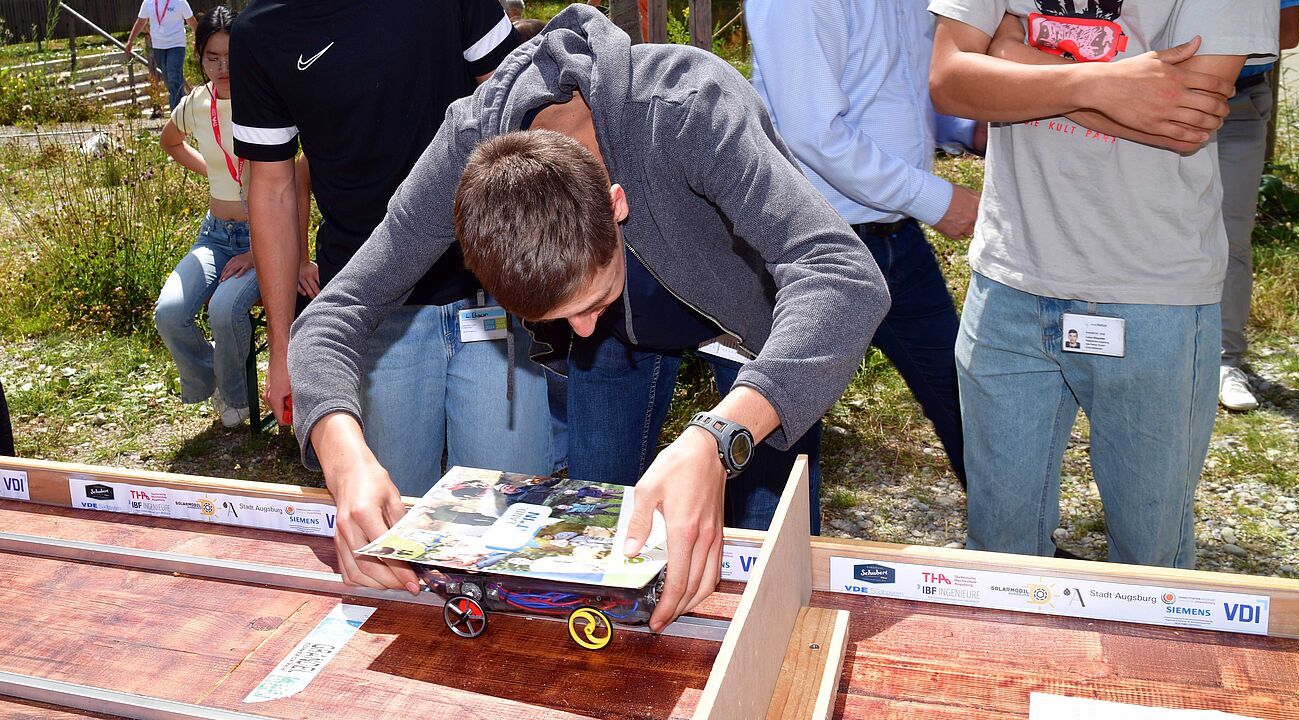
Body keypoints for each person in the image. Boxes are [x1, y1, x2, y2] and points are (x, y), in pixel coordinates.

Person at [286, 5, 888, 631]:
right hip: (629, 338)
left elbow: (844, 276)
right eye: (559, 316)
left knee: (766, 564)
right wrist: (345, 459)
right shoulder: (466, 155)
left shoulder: (690, 107)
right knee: (598, 560)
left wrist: (720, 436)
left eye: (590, 303)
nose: (580, 330)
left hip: (756, 327)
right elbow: (334, 314)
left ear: (616, 202)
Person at [928, 0, 1277, 568]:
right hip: (1008, 278)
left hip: (1153, 293)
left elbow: (1185, 121)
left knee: (1149, 565)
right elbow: (950, 81)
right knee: (997, 556)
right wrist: (1104, 84)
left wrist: (1013, 57)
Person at [230, 0, 553, 571]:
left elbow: (515, 103)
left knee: (511, 535)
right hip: (369, 317)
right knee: (395, 543)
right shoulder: (261, 31)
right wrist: (283, 348)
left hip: (491, 294)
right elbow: (273, 189)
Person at [745, 0, 979, 487]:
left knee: (968, 402)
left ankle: (1009, 532)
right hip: (811, 246)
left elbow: (894, 86)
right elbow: (812, 132)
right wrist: (936, 199)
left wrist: (967, 127)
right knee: (781, 433)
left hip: (897, 238)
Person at [153, 6, 315, 428]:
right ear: (199, 57)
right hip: (215, 236)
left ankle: (236, 398)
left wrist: (285, 256)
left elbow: (295, 183)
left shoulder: (266, 98)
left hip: (264, 238)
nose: (223, 68)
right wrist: (213, 172)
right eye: (212, 58)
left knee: (224, 310)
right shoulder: (195, 103)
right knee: (169, 312)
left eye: (232, 56)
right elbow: (169, 142)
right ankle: (214, 377)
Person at [1218, 0, 1299, 412]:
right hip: (1154, 95)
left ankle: (1224, 361)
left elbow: (1287, 32)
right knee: (1143, 226)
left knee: (1230, 236)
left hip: (1239, 102)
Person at [124, 0, 197, 110]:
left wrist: (199, 40)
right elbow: (140, 22)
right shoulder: (148, 2)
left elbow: (191, 20)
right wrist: (130, 41)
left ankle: (176, 115)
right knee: (169, 81)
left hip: (176, 45)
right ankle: (184, 110)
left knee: (173, 78)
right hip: (158, 46)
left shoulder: (180, 2)